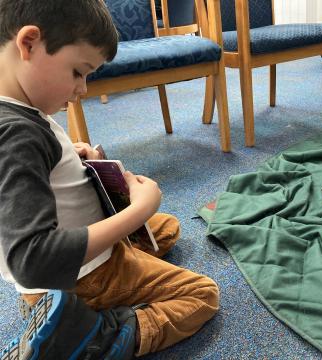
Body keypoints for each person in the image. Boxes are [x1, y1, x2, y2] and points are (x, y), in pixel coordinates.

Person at [0, 0, 219, 358]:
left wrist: (71, 153)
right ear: (29, 44)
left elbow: (26, 176)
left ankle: (59, 310)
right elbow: (33, 259)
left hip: (66, 269)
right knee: (201, 295)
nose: (83, 88)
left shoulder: (19, 109)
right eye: (77, 72)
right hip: (80, 275)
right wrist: (137, 211)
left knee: (166, 228)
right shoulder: (16, 136)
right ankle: (92, 334)